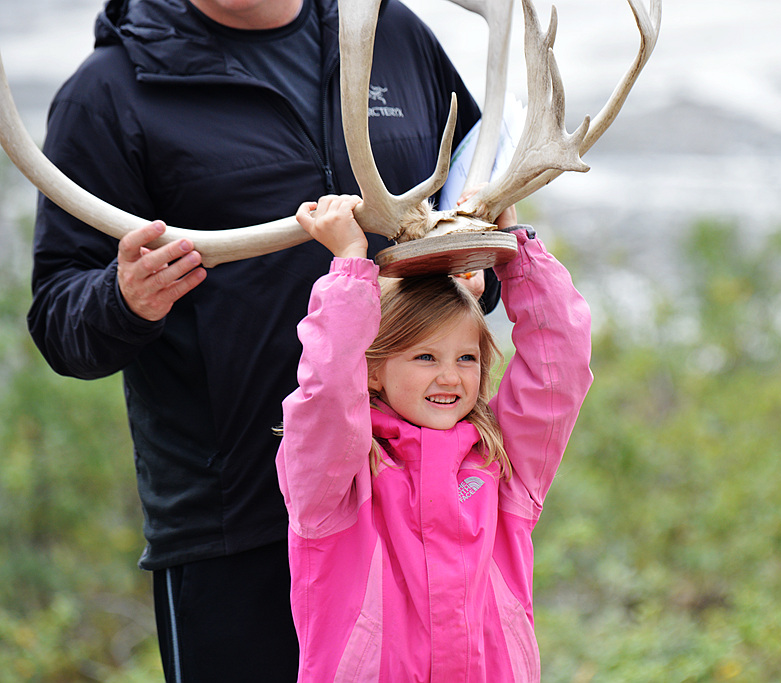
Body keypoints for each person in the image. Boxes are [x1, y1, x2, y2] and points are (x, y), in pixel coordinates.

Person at [25, 0, 496, 679]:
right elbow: (59, 322)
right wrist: (124, 300)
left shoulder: (388, 31)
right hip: (239, 533)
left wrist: (486, 262)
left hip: (414, 508)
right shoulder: (108, 95)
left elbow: (468, 208)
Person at [275, 191, 592, 681]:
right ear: (374, 369)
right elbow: (327, 393)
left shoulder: (501, 466)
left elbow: (559, 366)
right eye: (426, 357)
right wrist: (349, 268)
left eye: (466, 358)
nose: (450, 377)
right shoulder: (342, 482)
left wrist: (514, 252)